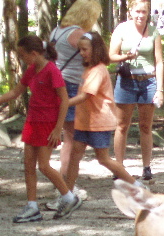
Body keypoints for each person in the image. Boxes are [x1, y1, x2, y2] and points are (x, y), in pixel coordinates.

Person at [0, 35, 81, 223]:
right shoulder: (32, 69)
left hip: (48, 123)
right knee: (28, 166)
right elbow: (15, 92)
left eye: (22, 55)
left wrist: (58, 128)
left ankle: (68, 196)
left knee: (44, 166)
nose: (21, 58)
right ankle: (32, 206)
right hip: (32, 121)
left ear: (33, 53)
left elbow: (64, 100)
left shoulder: (51, 70)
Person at [64, 32, 143, 200]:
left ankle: (136, 186)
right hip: (84, 121)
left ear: (96, 49)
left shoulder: (98, 71)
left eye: (85, 49)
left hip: (99, 121)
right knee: (74, 157)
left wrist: (62, 104)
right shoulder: (88, 69)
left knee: (104, 159)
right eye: (80, 50)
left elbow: (86, 95)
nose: (82, 53)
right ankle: (67, 195)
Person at [47, 0, 102, 210]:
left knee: (65, 137)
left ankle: (64, 184)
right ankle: (66, 186)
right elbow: (97, 58)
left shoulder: (56, 31)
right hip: (71, 86)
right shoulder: (78, 34)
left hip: (57, 84)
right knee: (71, 139)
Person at [109, 0, 164, 181]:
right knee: (122, 125)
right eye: (138, 11)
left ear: (148, 13)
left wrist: (160, 89)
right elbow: (111, 56)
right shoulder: (122, 29)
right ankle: (119, 166)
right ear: (131, 12)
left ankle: (146, 166)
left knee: (145, 126)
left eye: (144, 12)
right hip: (126, 81)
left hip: (148, 82)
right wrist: (126, 56)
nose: (141, 15)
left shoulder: (153, 31)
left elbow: (159, 62)